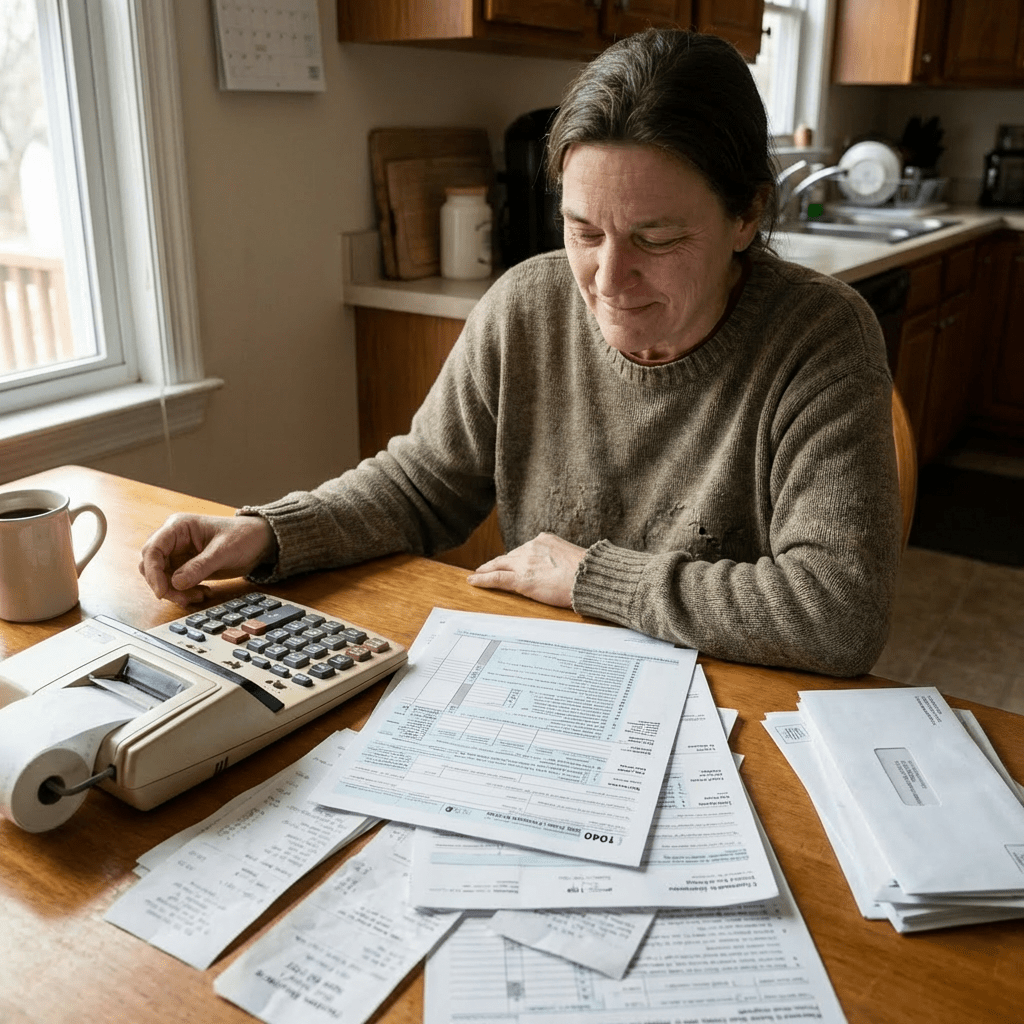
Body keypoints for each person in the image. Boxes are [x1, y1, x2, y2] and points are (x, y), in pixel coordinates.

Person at [140, 29, 901, 677]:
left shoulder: (821, 336)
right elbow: (417, 487)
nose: (607, 279)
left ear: (747, 215)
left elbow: (837, 613)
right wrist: (271, 531)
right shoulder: (526, 305)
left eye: (656, 238)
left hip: (732, 706)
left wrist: (592, 580)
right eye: (583, 231)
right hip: (549, 680)